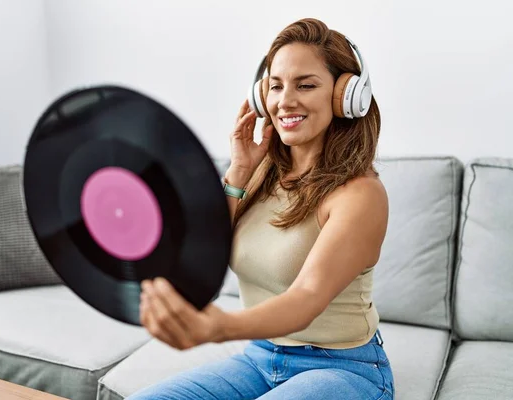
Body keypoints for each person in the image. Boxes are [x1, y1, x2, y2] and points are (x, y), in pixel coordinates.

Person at [130, 17, 394, 400]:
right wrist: (239, 169)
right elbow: (202, 252)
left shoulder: (360, 195)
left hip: (344, 369)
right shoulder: (260, 173)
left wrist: (219, 327)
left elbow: (306, 299)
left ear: (345, 96)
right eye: (275, 86)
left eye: (306, 84)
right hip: (259, 358)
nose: (285, 101)